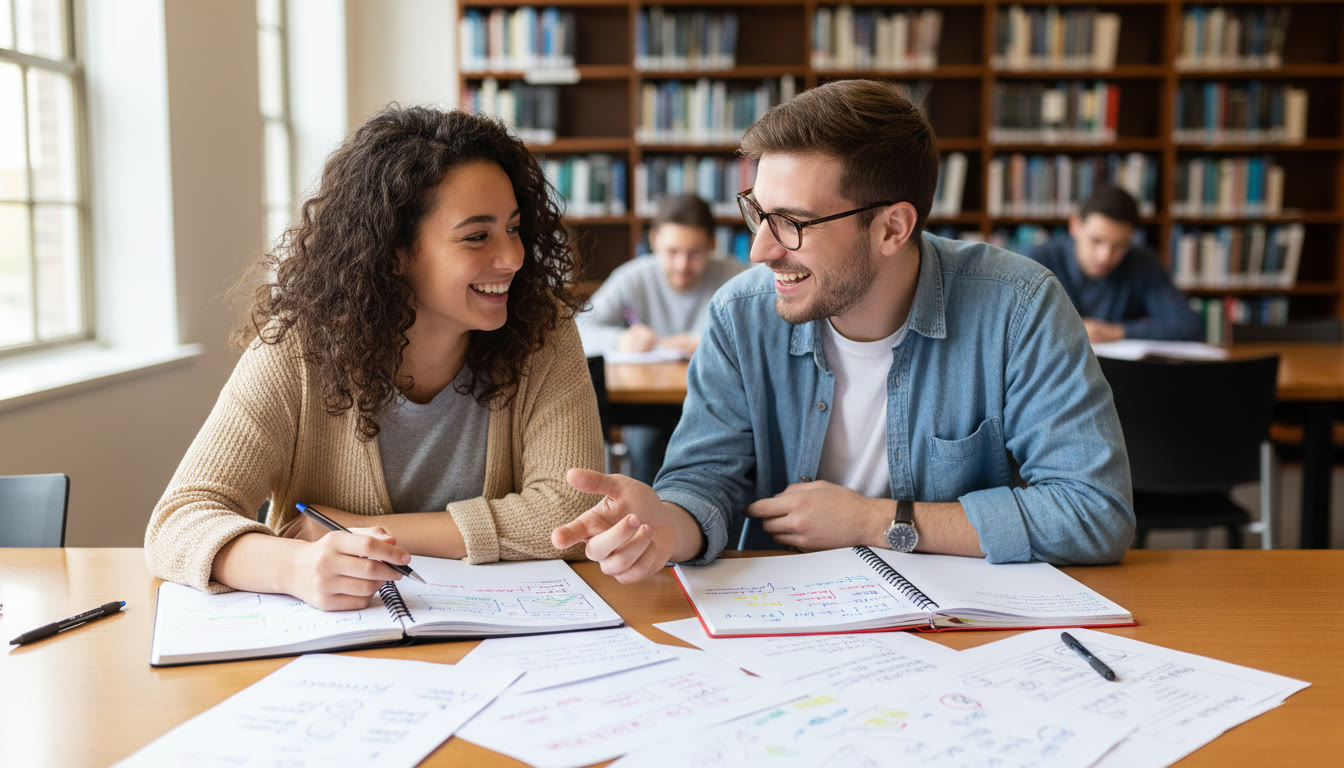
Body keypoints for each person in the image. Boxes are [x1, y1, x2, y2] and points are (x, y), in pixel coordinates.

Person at [552, 79, 1135, 583]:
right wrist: (664, 527)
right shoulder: (740, 313)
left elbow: (1094, 512)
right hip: (786, 622)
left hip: (961, 627)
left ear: (892, 228)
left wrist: (876, 521)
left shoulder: (1018, 307)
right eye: (758, 212)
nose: (760, 250)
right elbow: (705, 482)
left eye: (792, 223)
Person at [146, 105, 604, 610]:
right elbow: (179, 520)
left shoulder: (545, 335)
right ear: (394, 252)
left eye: (514, 228)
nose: (513, 257)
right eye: (477, 236)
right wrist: (294, 567)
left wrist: (358, 529)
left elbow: (575, 516)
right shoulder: (298, 350)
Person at [577, 193, 747, 484]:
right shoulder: (633, 277)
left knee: (722, 454)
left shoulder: (736, 277)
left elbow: (765, 332)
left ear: (711, 244)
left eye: (694, 253)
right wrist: (620, 340)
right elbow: (579, 329)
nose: (682, 265)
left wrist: (711, 344)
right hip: (648, 403)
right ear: (654, 242)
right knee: (647, 448)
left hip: (715, 399)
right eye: (672, 252)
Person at [1027, 184, 1203, 343]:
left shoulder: (1142, 263)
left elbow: (1189, 326)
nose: (1105, 256)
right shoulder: (1036, 261)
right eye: (1096, 241)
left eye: (1119, 245)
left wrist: (1115, 332)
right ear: (1075, 226)